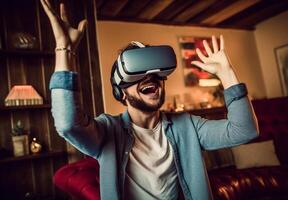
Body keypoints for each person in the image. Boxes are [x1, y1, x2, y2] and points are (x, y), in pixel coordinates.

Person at [41, 0, 259, 199]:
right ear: (122, 92)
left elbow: (245, 130)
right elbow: (68, 124)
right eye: (138, 73)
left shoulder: (188, 126)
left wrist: (226, 73)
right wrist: (65, 50)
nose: (150, 77)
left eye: (155, 73)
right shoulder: (107, 132)